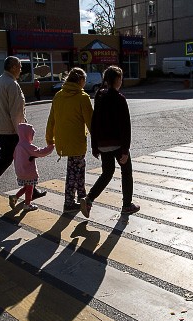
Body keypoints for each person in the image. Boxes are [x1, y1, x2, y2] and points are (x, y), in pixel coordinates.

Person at [0, 56, 46, 206]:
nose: (21, 69)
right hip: (13, 131)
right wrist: (23, 135)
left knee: (15, 159)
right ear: (13, 67)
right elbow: (16, 114)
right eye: (20, 66)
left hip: (2, 130)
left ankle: (32, 190)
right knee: (23, 157)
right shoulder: (12, 85)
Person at [80, 66, 139, 218]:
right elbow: (125, 126)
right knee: (126, 172)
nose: (121, 80)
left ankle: (89, 199)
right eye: (120, 78)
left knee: (107, 173)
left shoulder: (99, 97)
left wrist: (95, 146)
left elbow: (94, 122)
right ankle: (127, 205)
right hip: (118, 144)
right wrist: (125, 150)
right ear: (117, 80)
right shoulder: (119, 99)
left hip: (102, 144)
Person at [45, 67, 93, 213]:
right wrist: (98, 142)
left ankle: (82, 196)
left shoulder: (59, 95)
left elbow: (51, 120)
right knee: (73, 170)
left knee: (79, 168)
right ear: (80, 80)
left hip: (63, 141)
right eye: (84, 80)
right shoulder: (82, 97)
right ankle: (69, 202)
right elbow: (91, 122)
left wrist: (49, 139)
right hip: (76, 141)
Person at [9, 123, 54, 212]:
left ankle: (15, 197)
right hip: (28, 172)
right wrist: (51, 146)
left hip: (20, 171)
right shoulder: (28, 146)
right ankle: (27, 204)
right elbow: (41, 152)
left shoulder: (18, 146)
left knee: (26, 187)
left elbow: (15, 157)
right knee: (30, 188)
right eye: (32, 134)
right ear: (28, 134)